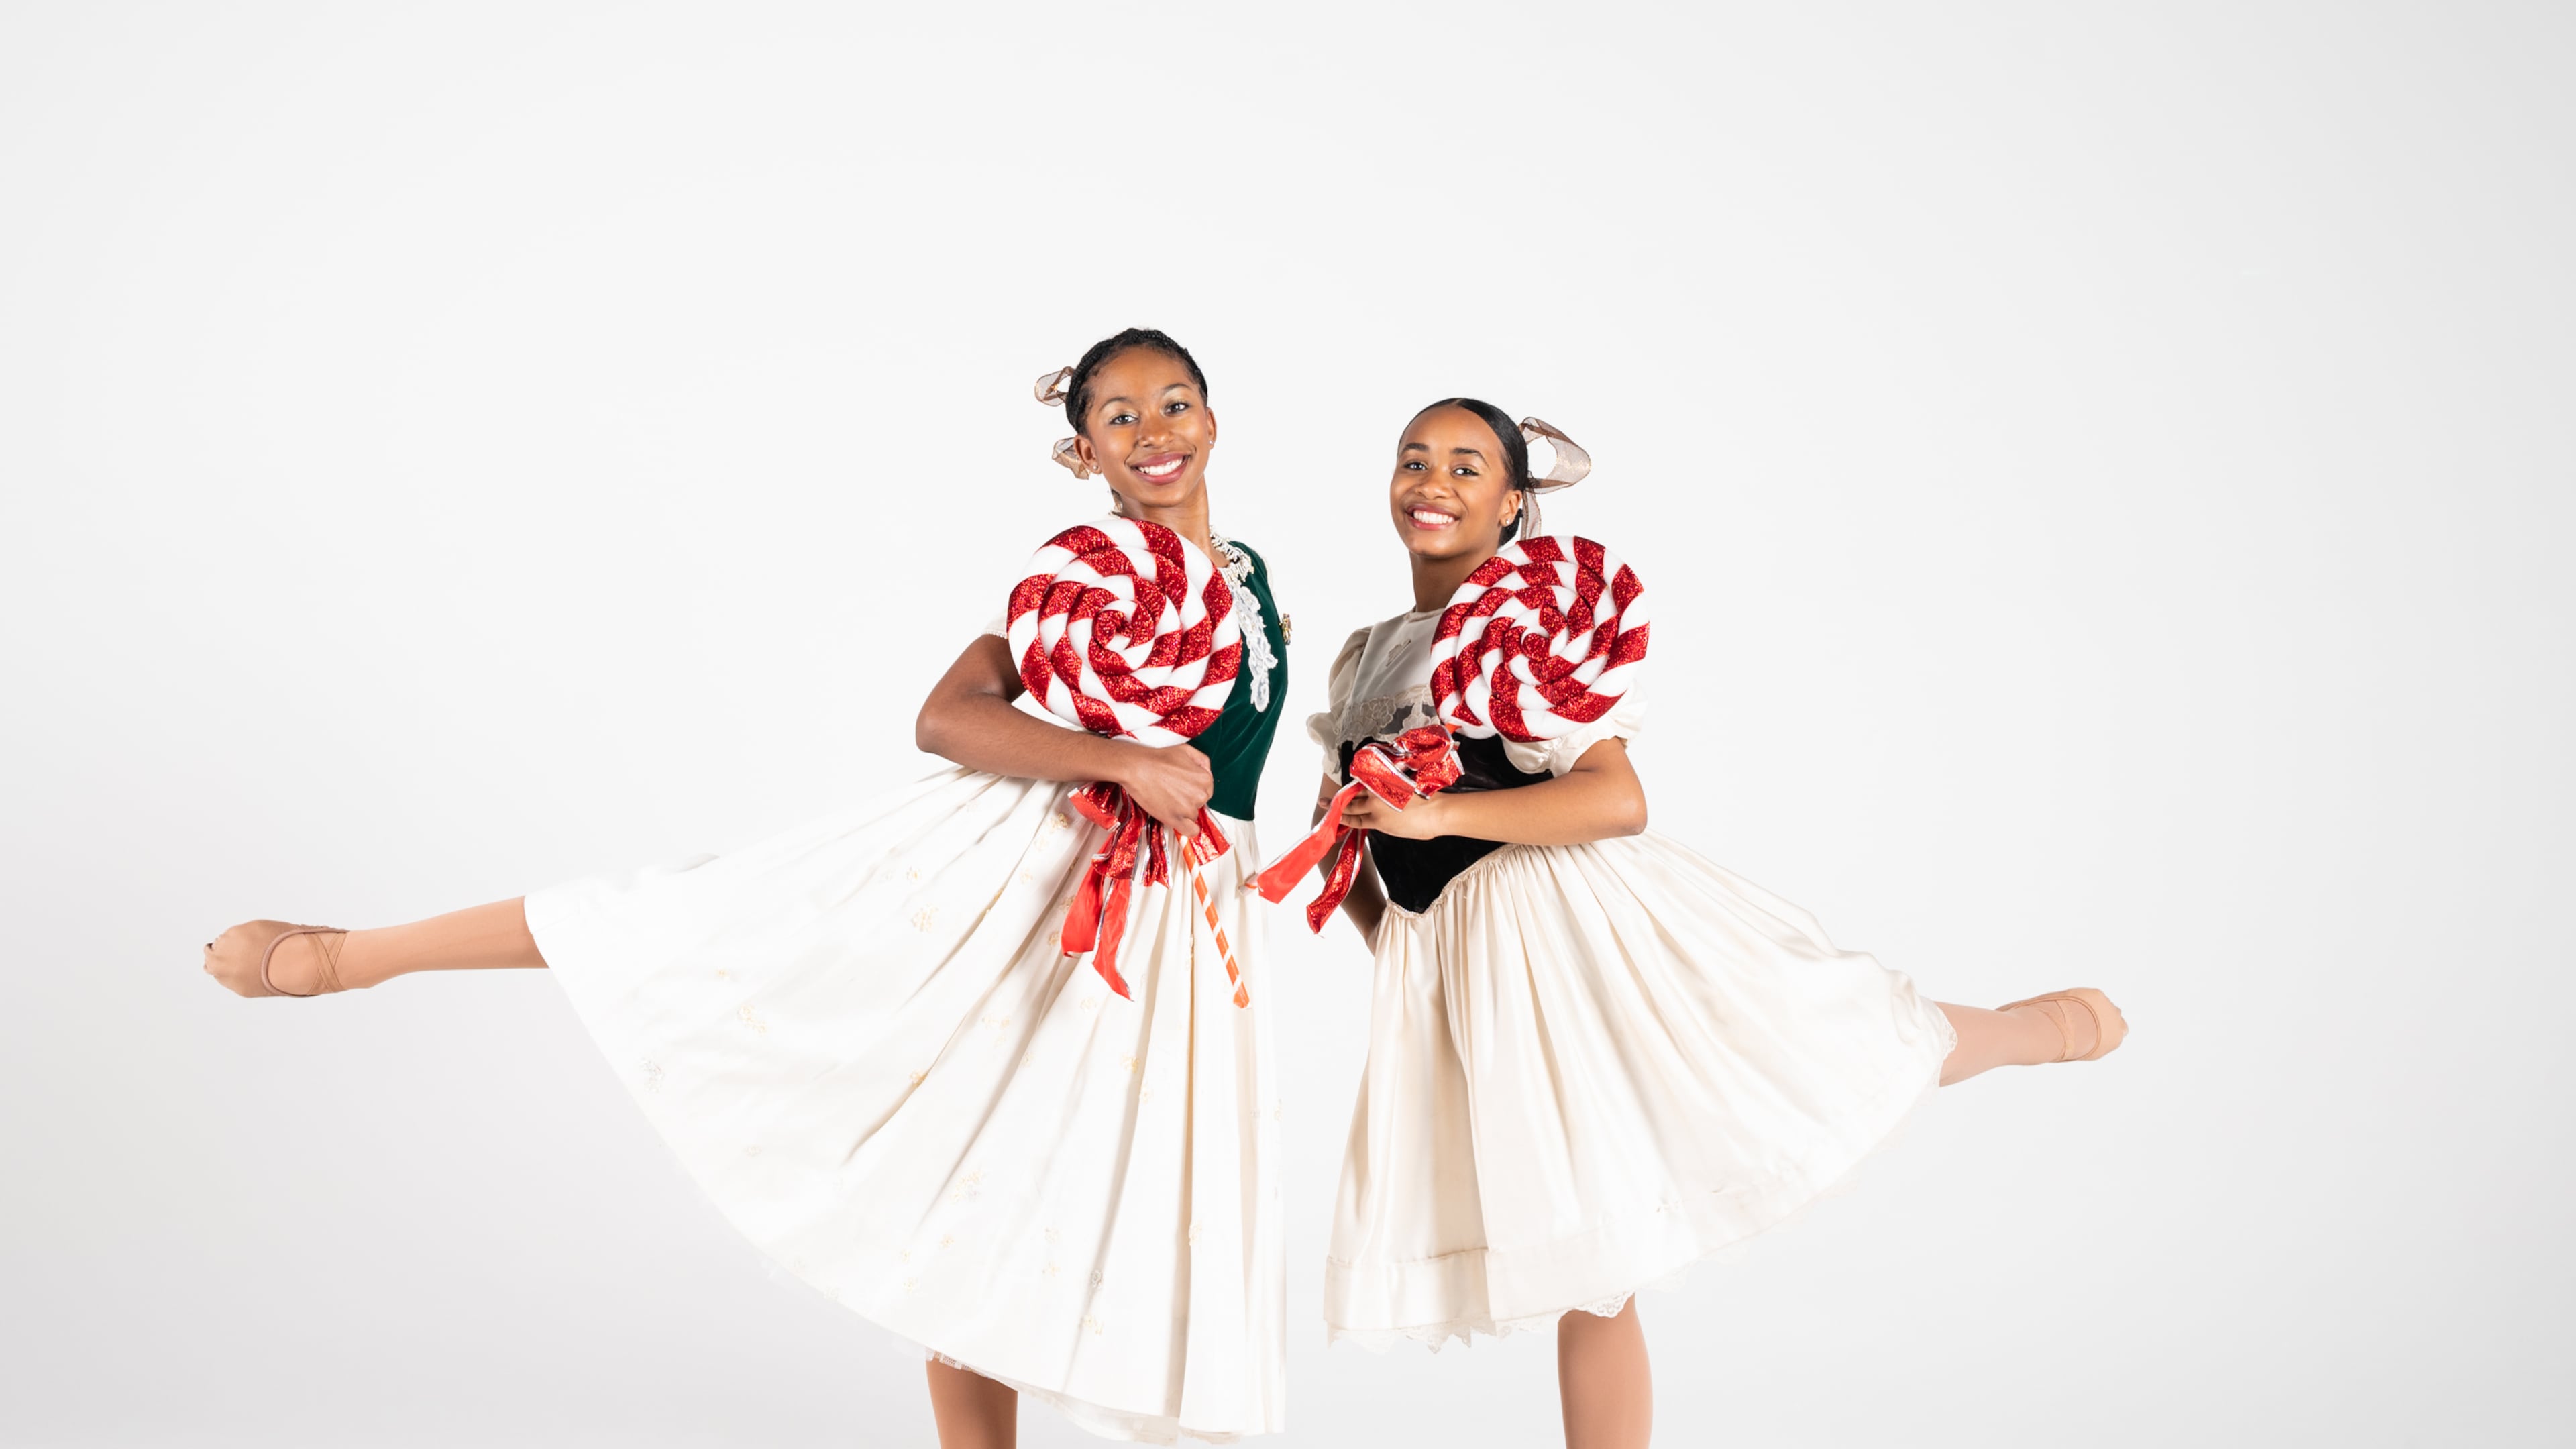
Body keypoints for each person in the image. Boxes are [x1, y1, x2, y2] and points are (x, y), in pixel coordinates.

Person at [202, 329, 1293, 1448]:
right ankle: (348, 956)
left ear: (1214, 416)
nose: (1154, 431)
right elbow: (947, 718)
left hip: (1183, 910)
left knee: (1022, 1167)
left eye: (1174, 403)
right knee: (703, 930)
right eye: (1120, 416)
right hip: (1037, 869)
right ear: (1086, 455)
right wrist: (1121, 760)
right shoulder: (1090, 577)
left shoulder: (1249, 574)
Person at [1304, 397, 2126, 1449]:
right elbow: (1347, 840)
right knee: (1577, 1244)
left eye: (1467, 467)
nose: (1433, 482)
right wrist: (1398, 944)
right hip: (1467, 971)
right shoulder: (1367, 657)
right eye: (1414, 460)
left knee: (1804, 1042)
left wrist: (1439, 813)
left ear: (1514, 502)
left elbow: (1613, 796)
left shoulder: (1533, 625)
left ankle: (2038, 1031)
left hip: (1567, 926)